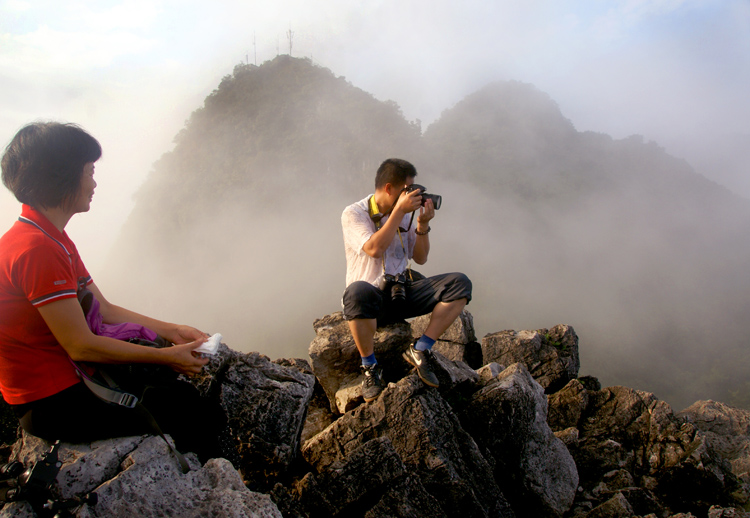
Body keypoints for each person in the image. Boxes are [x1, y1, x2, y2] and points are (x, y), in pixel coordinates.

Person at [0, 122, 226, 463]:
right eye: (89, 171)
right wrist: (167, 356)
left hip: (68, 377)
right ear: (62, 176)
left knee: (172, 389)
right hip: (50, 400)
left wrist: (170, 331)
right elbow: (79, 343)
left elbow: (102, 308)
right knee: (186, 409)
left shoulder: (51, 237)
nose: (93, 182)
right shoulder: (36, 249)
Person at [341, 158, 472, 402]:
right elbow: (373, 249)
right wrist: (399, 211)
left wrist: (422, 225)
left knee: (459, 283)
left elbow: (421, 258)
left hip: (401, 291)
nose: (410, 196)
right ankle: (370, 367)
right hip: (370, 299)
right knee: (355, 292)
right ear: (389, 188)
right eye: (406, 190)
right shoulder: (354, 213)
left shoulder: (406, 217)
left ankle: (420, 348)